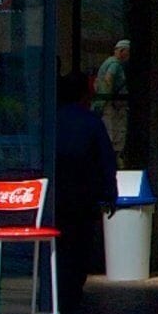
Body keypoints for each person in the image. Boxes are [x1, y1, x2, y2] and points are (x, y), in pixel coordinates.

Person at [48, 71, 116, 294]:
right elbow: (106, 159)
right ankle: (73, 289)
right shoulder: (92, 122)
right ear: (84, 95)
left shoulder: (51, 120)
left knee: (57, 244)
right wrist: (110, 192)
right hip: (84, 195)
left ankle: (57, 288)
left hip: (55, 194)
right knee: (80, 245)